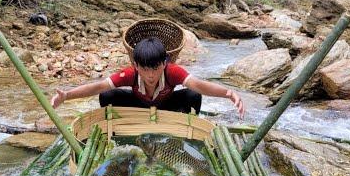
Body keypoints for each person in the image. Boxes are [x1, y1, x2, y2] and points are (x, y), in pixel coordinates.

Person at [50, 37, 245, 118]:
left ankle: (186, 128)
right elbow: (98, 86)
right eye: (144, 69)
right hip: (140, 107)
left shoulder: (172, 71)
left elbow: (200, 85)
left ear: (164, 63)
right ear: (136, 66)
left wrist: (229, 93)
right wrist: (66, 96)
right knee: (107, 95)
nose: (150, 75)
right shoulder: (130, 73)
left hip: (166, 106)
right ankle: (119, 126)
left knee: (193, 95)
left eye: (156, 68)